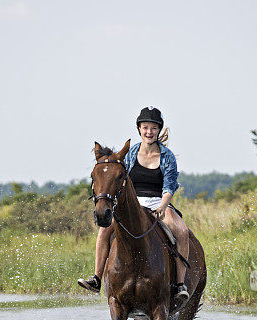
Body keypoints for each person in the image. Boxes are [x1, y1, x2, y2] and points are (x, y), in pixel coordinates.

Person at [78, 106, 190, 303]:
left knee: (181, 231)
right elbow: (120, 182)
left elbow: (169, 187)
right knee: (104, 232)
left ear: (159, 130)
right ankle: (96, 278)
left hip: (158, 202)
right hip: (133, 204)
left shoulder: (167, 156)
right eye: (145, 127)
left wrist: (163, 206)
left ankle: (180, 284)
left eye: (153, 128)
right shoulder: (130, 154)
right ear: (139, 129)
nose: (149, 132)